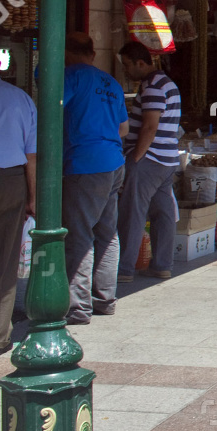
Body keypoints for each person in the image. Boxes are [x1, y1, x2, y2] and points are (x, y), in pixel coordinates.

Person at [63, 33, 127, 325]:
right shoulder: (111, 83)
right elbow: (123, 128)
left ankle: (77, 307)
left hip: (86, 163)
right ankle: (105, 299)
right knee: (106, 232)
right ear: (93, 53)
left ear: (65, 52)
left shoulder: (70, 76)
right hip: (114, 161)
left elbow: (52, 110)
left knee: (79, 234)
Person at [0, 36, 36, 355]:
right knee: (2, 263)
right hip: (10, 181)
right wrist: (32, 197)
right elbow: (32, 156)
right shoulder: (20, 99)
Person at [117, 41, 182, 283]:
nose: (125, 71)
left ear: (140, 63)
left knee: (132, 213)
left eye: (127, 65)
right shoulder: (168, 83)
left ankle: (123, 269)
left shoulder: (152, 85)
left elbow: (150, 126)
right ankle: (162, 265)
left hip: (149, 159)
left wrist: (134, 159)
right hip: (166, 160)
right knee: (163, 214)